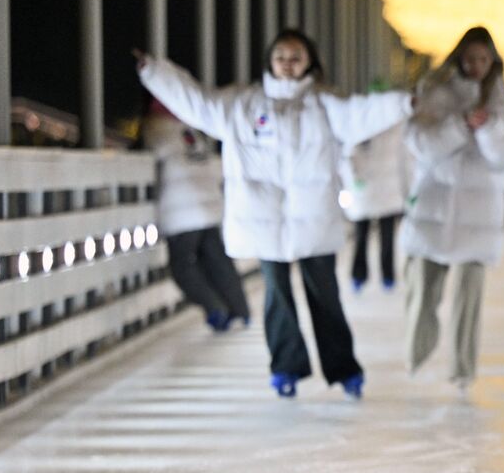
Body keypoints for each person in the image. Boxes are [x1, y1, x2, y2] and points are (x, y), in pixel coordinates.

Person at [135, 30, 414, 399]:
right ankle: (286, 368)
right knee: (277, 297)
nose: (287, 63)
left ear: (309, 62)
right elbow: (197, 103)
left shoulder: (325, 104)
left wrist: (403, 102)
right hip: (263, 218)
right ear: (269, 60)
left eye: (296, 56)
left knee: (325, 296)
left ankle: (344, 368)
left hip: (313, 219)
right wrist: (155, 73)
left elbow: (363, 112)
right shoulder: (242, 104)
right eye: (281, 55)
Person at [401, 26, 504, 392]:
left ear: (493, 63)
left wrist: (488, 128)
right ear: (459, 58)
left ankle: (462, 369)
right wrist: (459, 126)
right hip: (433, 206)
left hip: (479, 214)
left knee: (468, 299)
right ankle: (416, 354)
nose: (476, 66)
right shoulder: (435, 93)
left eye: (483, 59)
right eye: (470, 58)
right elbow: (420, 143)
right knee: (422, 290)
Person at [140, 96, 250, 332]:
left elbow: (151, 155)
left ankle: (215, 308)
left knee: (182, 266)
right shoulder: (190, 131)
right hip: (208, 203)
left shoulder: (155, 129)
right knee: (218, 259)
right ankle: (240, 309)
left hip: (180, 211)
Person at [339, 118, 407, 293]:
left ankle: (387, 276)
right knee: (362, 236)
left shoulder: (395, 122)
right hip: (366, 191)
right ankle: (360, 275)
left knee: (387, 236)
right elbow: (349, 156)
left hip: (388, 190)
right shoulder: (363, 122)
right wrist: (354, 179)